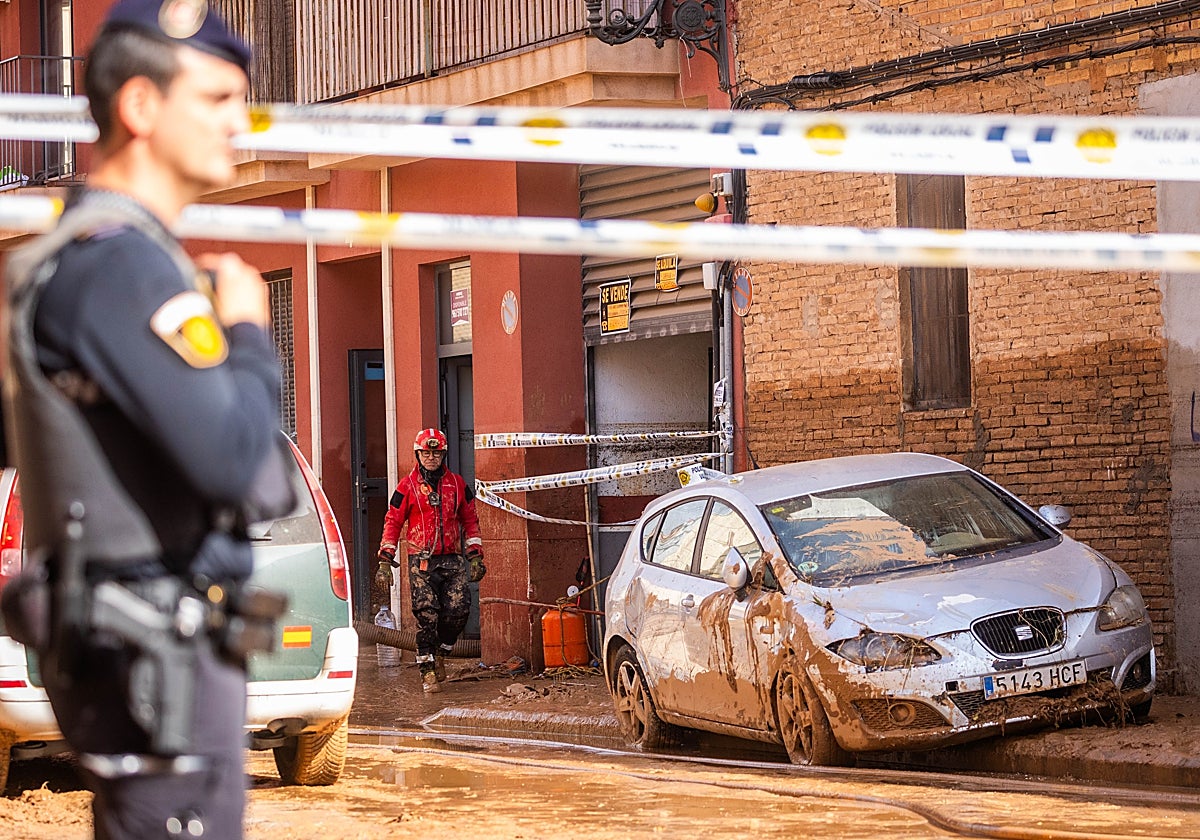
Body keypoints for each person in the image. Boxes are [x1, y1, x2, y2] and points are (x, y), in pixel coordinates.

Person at [1, 1, 282, 837]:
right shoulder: (121, 267)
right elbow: (243, 465)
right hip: (155, 660)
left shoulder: (87, 259)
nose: (241, 122)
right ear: (140, 107)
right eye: (217, 99)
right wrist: (247, 334)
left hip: (146, 650)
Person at [377, 428, 486, 694]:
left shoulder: (457, 485)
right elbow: (393, 521)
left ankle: (441, 651)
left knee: (459, 611)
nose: (431, 458)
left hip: (451, 560)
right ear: (418, 454)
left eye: (436, 453)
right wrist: (384, 559)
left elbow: (470, 520)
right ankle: (427, 670)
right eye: (426, 453)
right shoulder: (407, 486)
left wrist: (475, 556)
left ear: (443, 454)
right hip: (421, 562)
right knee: (427, 614)